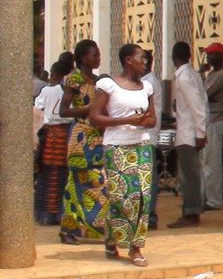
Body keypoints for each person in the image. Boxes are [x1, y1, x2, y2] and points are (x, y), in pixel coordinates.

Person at [90, 44, 157, 267]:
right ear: (128, 60)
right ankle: (112, 238)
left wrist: (144, 121)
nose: (145, 61)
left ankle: (135, 247)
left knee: (143, 197)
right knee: (122, 197)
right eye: (142, 57)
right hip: (116, 146)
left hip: (142, 145)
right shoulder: (108, 85)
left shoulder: (146, 87)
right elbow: (95, 117)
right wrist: (126, 120)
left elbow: (152, 119)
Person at [59, 40, 110, 245]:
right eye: (94, 55)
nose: (98, 58)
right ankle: (68, 230)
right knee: (77, 184)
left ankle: (87, 228)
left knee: (98, 183)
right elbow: (63, 110)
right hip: (80, 137)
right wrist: (87, 112)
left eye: (98, 55)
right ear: (82, 58)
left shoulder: (98, 81)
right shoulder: (74, 78)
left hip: (97, 137)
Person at [167, 42, 209, 229]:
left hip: (188, 134)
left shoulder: (184, 77)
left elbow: (197, 106)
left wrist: (200, 132)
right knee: (191, 174)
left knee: (189, 176)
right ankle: (191, 210)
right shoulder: (193, 74)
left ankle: (191, 213)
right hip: (188, 130)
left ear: (173, 58)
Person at [34, 60, 73, 225]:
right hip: (67, 135)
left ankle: (46, 214)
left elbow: (37, 109)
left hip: (51, 137)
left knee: (48, 175)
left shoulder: (48, 91)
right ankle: (60, 213)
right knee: (63, 176)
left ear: (55, 75)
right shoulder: (72, 92)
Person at [200, 42, 223, 211]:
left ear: (220, 56)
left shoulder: (221, 75)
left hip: (216, 120)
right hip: (210, 119)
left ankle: (214, 200)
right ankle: (208, 197)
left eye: (211, 54)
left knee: (212, 163)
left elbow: (203, 94)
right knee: (207, 161)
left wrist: (199, 74)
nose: (208, 57)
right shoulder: (213, 74)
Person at [140, 50, 162, 229]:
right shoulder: (144, 82)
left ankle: (150, 216)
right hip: (143, 136)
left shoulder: (149, 83)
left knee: (149, 178)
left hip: (148, 136)